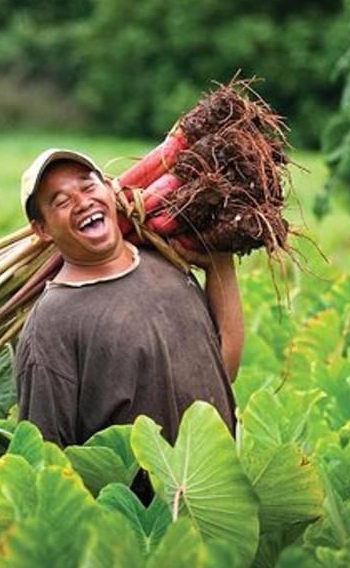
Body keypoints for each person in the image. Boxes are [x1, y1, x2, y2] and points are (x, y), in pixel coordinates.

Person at [13, 147, 243, 463]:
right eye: (62, 202)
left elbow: (222, 372)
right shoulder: (52, 322)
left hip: (212, 489)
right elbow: (47, 456)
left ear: (109, 188)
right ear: (42, 230)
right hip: (132, 509)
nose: (82, 202)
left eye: (88, 186)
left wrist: (221, 265)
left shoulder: (166, 261)